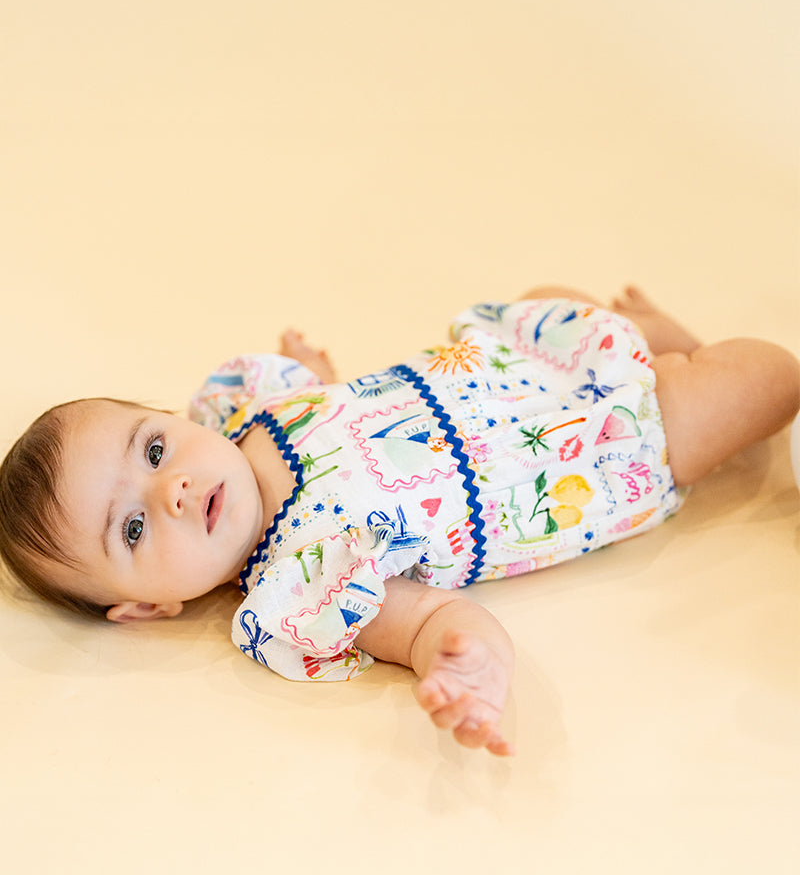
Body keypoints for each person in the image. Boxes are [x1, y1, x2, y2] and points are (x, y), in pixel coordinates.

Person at [1, 286, 798, 756]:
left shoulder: (248, 412)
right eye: (132, 529)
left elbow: (335, 409)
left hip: (514, 363)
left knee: (549, 296)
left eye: (152, 448)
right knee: (769, 374)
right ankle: (676, 355)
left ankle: (651, 337)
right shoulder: (308, 580)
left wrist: (317, 376)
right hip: (602, 451)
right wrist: (464, 668)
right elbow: (428, 621)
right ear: (146, 607)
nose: (170, 489)